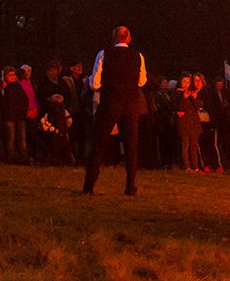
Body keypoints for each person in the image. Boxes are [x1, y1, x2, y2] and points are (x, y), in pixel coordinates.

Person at [83, 26, 148, 195]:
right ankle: (130, 186)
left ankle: (89, 185)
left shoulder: (104, 54)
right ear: (128, 38)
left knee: (99, 143)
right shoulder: (138, 56)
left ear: (114, 38)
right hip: (130, 103)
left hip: (110, 102)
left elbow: (95, 83)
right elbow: (141, 82)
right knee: (131, 145)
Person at [173, 72, 205, 172]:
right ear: (180, 82)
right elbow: (177, 107)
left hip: (194, 122)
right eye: (184, 81)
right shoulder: (177, 93)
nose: (186, 84)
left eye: (188, 82)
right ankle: (187, 166)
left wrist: (195, 98)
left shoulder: (192, 93)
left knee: (194, 145)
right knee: (185, 144)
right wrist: (183, 98)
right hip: (184, 123)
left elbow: (197, 106)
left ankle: (195, 166)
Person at [0, 67, 30, 163]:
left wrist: (23, 112)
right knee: (10, 138)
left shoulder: (17, 87)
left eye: (13, 75)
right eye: (10, 75)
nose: (12, 77)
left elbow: (25, 100)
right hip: (9, 117)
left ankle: (23, 158)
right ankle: (10, 158)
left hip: (19, 116)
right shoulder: (4, 88)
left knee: (21, 138)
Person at [39, 92, 75, 166]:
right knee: (65, 146)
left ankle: (52, 160)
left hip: (51, 131)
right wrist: (66, 127)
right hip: (62, 131)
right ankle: (68, 161)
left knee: (52, 146)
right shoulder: (64, 110)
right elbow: (69, 120)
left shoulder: (49, 110)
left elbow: (43, 120)